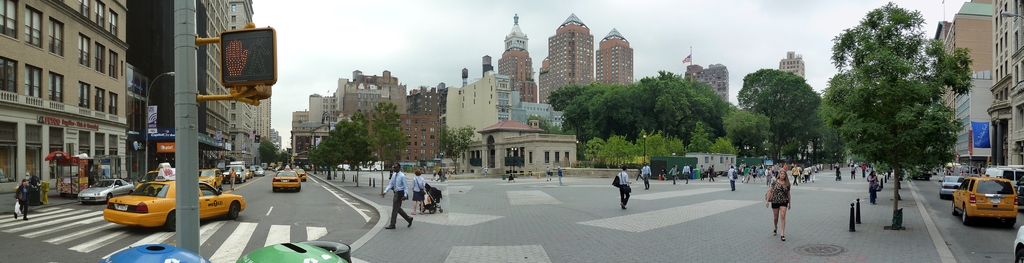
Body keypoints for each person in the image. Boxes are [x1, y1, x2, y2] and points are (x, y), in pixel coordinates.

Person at [381, 164, 413, 229]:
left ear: (399, 168)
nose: (394, 169)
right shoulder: (394, 175)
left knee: (395, 209)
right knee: (397, 208)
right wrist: (385, 191)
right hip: (396, 192)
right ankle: (409, 219)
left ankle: (392, 224)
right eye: (393, 167)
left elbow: (405, 186)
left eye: (395, 167)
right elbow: (391, 184)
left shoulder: (402, 176)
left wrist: (405, 195)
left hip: (400, 193)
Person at [766, 170, 791, 242]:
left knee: (783, 216)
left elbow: (788, 194)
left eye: (784, 174)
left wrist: (789, 203)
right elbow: (770, 191)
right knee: (775, 217)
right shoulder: (774, 182)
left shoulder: (787, 183)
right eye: (781, 174)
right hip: (775, 201)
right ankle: (775, 227)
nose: (782, 175)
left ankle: (782, 233)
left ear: (785, 176)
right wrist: (767, 201)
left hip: (784, 201)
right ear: (779, 175)